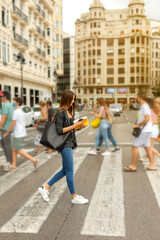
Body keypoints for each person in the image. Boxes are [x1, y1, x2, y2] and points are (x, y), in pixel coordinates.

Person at [38, 90, 89, 204]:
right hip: (64, 145)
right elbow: (60, 130)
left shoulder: (68, 111)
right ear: (67, 99)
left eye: (74, 99)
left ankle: (45, 188)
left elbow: (69, 128)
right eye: (72, 99)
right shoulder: (61, 112)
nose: (73, 101)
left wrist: (79, 127)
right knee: (70, 171)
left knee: (65, 171)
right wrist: (74, 125)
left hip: (68, 142)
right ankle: (74, 197)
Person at [3, 98, 39, 171]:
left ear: (17, 103)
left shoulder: (16, 111)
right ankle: (13, 165)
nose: (13, 103)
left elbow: (13, 122)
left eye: (14, 102)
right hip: (19, 133)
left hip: (18, 134)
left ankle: (34, 160)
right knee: (13, 149)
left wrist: (7, 132)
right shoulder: (21, 111)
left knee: (18, 150)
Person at [124, 92, 156, 172]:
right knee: (147, 147)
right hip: (147, 130)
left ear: (139, 97)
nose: (136, 98)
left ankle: (133, 166)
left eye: (137, 97)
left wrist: (137, 125)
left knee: (134, 146)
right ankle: (152, 166)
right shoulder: (144, 106)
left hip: (144, 130)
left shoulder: (145, 106)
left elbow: (147, 118)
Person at [0, 91, 14, 168]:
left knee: (7, 146)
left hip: (5, 129)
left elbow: (4, 117)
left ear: (5, 97)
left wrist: (0, 127)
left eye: (1, 97)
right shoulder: (10, 105)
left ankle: (11, 162)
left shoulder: (6, 105)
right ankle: (8, 160)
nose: (1, 98)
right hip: (8, 128)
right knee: (4, 145)